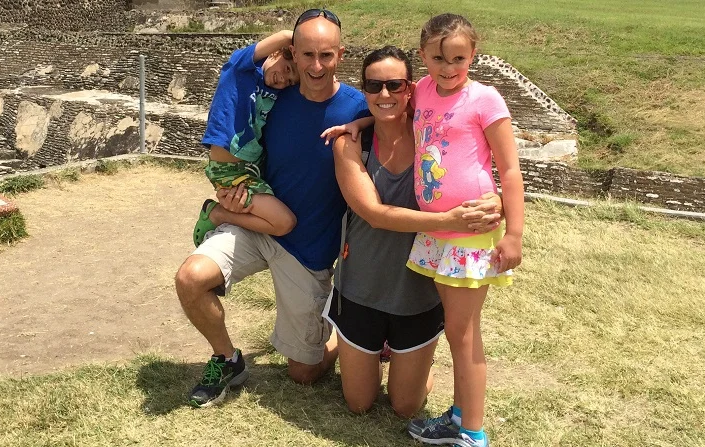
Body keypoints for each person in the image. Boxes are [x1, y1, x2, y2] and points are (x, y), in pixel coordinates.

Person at [175, 8, 369, 408]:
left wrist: (364, 125)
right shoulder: (272, 96)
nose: (316, 66)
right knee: (190, 278)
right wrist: (230, 191)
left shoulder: (358, 109)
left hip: (308, 249)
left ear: (341, 54)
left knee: (303, 373)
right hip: (254, 222)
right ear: (293, 53)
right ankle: (227, 359)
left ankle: (339, 339)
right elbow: (237, 119)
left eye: (326, 55)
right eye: (307, 54)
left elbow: (407, 125)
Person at [325, 46, 503, 418]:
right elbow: (374, 214)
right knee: (359, 402)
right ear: (363, 89)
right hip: (362, 285)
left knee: (406, 406)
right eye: (374, 85)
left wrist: (494, 202)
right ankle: (350, 345)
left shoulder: (433, 134)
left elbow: (474, 164)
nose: (384, 94)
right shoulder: (350, 143)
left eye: (394, 85)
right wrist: (449, 221)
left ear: (411, 88)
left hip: (417, 292)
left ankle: (412, 362)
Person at [405, 13, 525, 447]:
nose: (448, 67)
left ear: (473, 54)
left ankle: (472, 432)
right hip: (439, 232)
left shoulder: (485, 99)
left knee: (463, 331)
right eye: (438, 58)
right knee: (457, 328)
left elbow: (509, 169)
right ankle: (459, 415)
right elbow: (385, 114)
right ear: (423, 56)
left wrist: (513, 233)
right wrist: (355, 125)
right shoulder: (420, 90)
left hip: (471, 231)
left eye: (458, 58)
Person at [193, 30, 300, 246]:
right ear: (277, 53)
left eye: (289, 82)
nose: (283, 80)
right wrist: (308, 44)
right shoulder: (242, 68)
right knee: (284, 222)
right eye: (287, 69)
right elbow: (284, 35)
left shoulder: (278, 91)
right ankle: (218, 214)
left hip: (256, 167)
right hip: (230, 173)